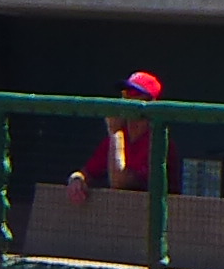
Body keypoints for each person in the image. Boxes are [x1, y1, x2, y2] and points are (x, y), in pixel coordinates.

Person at [66, 70, 160, 204]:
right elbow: (86, 172)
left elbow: (120, 183)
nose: (127, 99)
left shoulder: (157, 141)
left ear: (149, 100)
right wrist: (76, 179)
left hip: (154, 211)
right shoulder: (121, 136)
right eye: (125, 93)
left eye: (134, 93)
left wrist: (115, 132)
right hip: (122, 210)